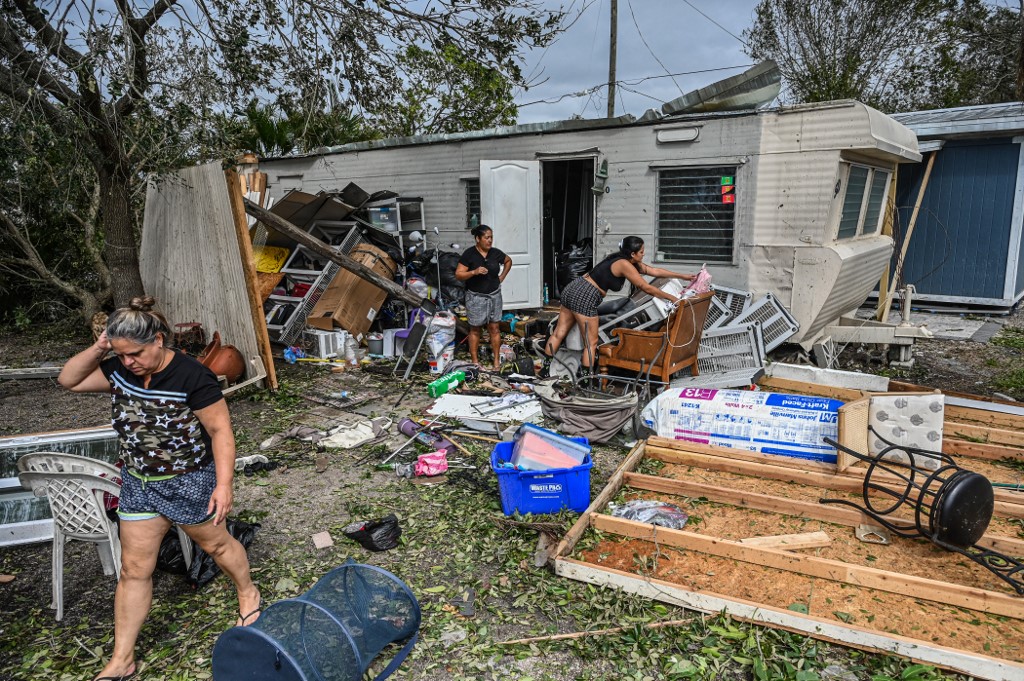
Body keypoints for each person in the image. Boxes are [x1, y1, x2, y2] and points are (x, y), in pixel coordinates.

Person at [58, 297, 260, 681]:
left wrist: (223, 485)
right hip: (139, 483)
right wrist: (102, 347)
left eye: (135, 353)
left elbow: (220, 432)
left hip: (189, 482)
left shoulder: (191, 376)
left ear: (159, 340)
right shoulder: (118, 369)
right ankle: (122, 659)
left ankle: (248, 592)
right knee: (133, 569)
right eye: (120, 354)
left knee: (216, 545)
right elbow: (69, 380)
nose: (128, 362)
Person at [544, 236, 695, 374]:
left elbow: (654, 271)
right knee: (591, 342)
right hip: (585, 296)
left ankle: (545, 370)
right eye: (641, 252)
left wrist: (682, 276)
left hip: (574, 288)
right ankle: (586, 380)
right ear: (633, 254)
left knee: (559, 332)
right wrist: (671, 297)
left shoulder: (625, 260)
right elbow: (646, 287)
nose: (643, 254)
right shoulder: (624, 264)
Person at [455, 225, 513, 369]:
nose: (490, 240)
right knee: (475, 329)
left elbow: (508, 261)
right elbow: (459, 274)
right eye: (486, 237)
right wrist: (474, 272)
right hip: (475, 297)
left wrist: (502, 277)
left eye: (491, 237)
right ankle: (475, 362)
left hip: (494, 295)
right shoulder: (469, 254)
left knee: (494, 328)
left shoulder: (495, 253)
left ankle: (496, 362)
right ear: (478, 239)